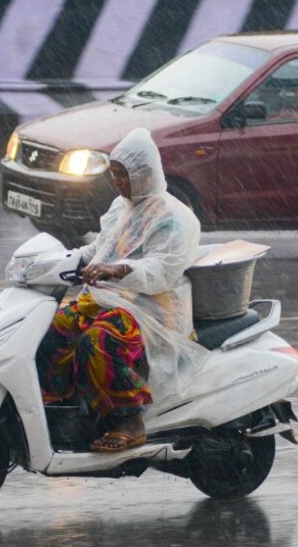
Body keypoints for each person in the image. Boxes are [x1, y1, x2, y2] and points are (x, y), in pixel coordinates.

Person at [35, 127, 202, 453]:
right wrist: (54, 262)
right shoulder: (120, 207)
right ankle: (64, 408)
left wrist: (119, 269)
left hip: (153, 308)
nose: (117, 182)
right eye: (113, 174)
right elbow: (100, 247)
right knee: (51, 328)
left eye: (123, 175)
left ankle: (129, 420)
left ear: (144, 174)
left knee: (98, 342)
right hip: (110, 296)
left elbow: (161, 272)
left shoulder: (175, 219)